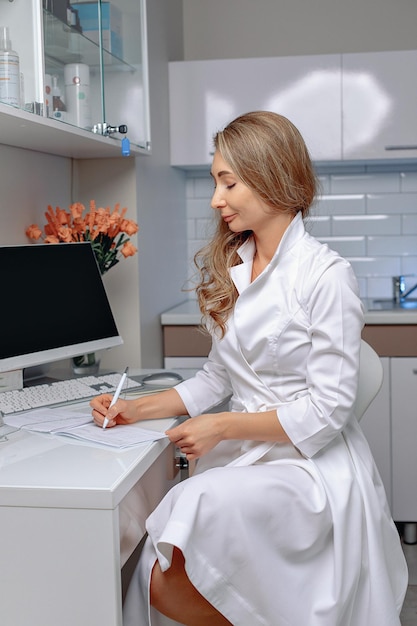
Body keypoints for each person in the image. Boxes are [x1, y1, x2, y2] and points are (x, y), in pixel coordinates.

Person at [90, 111, 408, 626]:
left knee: (183, 516)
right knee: (158, 563)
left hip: (310, 466)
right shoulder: (237, 263)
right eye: (216, 180)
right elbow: (219, 377)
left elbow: (327, 411)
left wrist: (222, 425)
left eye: (227, 182)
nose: (216, 199)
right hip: (248, 455)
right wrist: (134, 408)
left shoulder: (327, 277)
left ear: (273, 176)